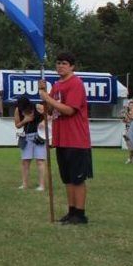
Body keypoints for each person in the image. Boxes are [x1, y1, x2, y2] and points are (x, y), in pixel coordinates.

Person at [39, 51, 92, 225]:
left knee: (77, 179)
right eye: (58, 63)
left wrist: (48, 98)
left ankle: (80, 213)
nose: (60, 66)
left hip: (76, 139)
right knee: (67, 178)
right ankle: (71, 211)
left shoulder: (76, 83)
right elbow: (52, 110)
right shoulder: (56, 86)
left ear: (72, 66)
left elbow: (69, 109)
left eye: (64, 63)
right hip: (61, 138)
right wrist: (44, 103)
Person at [14, 95, 47, 191]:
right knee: (25, 161)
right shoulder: (18, 110)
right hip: (27, 136)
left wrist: (43, 122)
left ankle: (42, 185)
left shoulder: (37, 107)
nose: (21, 109)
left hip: (39, 136)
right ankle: (24, 184)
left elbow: (49, 116)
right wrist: (25, 120)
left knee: (40, 161)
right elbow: (17, 125)